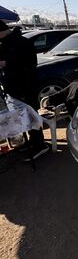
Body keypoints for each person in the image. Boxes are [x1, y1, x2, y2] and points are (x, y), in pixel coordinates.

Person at [0, 21, 48, 159]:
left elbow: (29, 63)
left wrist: (5, 63)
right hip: (12, 87)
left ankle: (40, 144)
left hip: (26, 86)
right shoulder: (5, 43)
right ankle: (32, 141)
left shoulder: (21, 42)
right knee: (22, 118)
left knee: (31, 114)